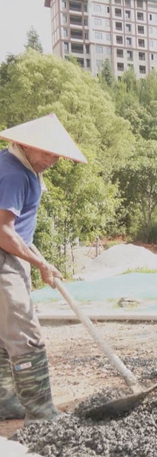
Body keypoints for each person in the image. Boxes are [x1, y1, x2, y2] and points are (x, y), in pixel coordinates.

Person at [0, 114, 88, 424]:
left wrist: (36, 259)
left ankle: (4, 402)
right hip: (3, 261)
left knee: (4, 335)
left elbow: (18, 226)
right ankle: (41, 415)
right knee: (26, 336)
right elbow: (3, 231)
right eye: (46, 153)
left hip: (11, 255)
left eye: (56, 156)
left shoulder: (21, 167)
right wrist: (39, 263)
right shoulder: (13, 173)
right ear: (25, 144)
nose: (50, 161)